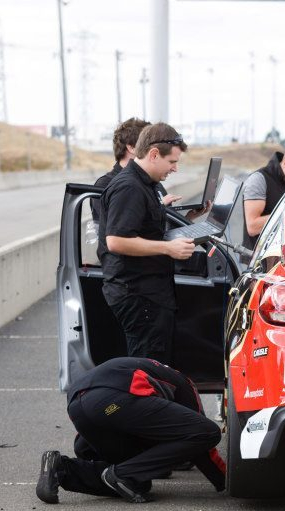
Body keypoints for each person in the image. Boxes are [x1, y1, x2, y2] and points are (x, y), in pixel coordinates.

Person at [36, 357, 225, 504]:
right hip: (114, 400)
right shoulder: (186, 384)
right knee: (208, 431)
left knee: (137, 481)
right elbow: (201, 439)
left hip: (78, 407)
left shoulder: (147, 369)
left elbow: (83, 446)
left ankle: (61, 469)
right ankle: (123, 475)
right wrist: (229, 480)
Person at [98, 123, 195, 365]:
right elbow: (116, 241)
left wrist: (186, 221)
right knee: (147, 369)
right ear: (153, 154)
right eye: (172, 162)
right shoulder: (129, 187)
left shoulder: (146, 185)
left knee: (156, 365)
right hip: (138, 294)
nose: (175, 168)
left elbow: (146, 229)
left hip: (150, 292)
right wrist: (168, 248)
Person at [90, 118, 183, 223]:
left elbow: (162, 230)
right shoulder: (106, 184)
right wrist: (159, 206)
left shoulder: (154, 183)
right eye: (147, 143)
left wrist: (186, 219)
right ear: (131, 147)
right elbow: (113, 231)